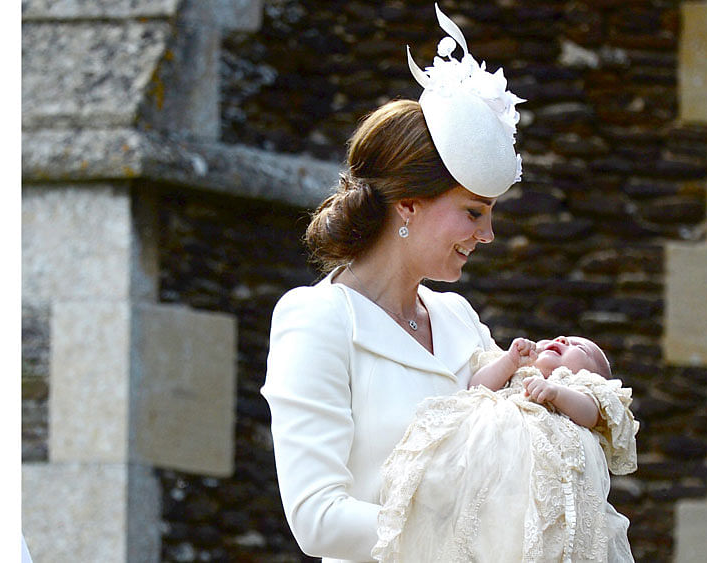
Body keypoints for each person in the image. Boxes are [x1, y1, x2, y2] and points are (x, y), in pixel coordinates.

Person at [261, 5, 524, 562]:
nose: (489, 234)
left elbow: (516, 448)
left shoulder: (459, 320)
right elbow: (318, 517)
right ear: (409, 202)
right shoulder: (317, 319)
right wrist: (461, 540)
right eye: (473, 213)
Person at [372, 336, 638, 562]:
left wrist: (556, 393)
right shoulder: (518, 372)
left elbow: (590, 414)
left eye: (581, 349)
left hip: (536, 476)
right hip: (486, 460)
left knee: (534, 531)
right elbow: (476, 385)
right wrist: (509, 361)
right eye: (557, 338)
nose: (562, 340)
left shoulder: (580, 388)